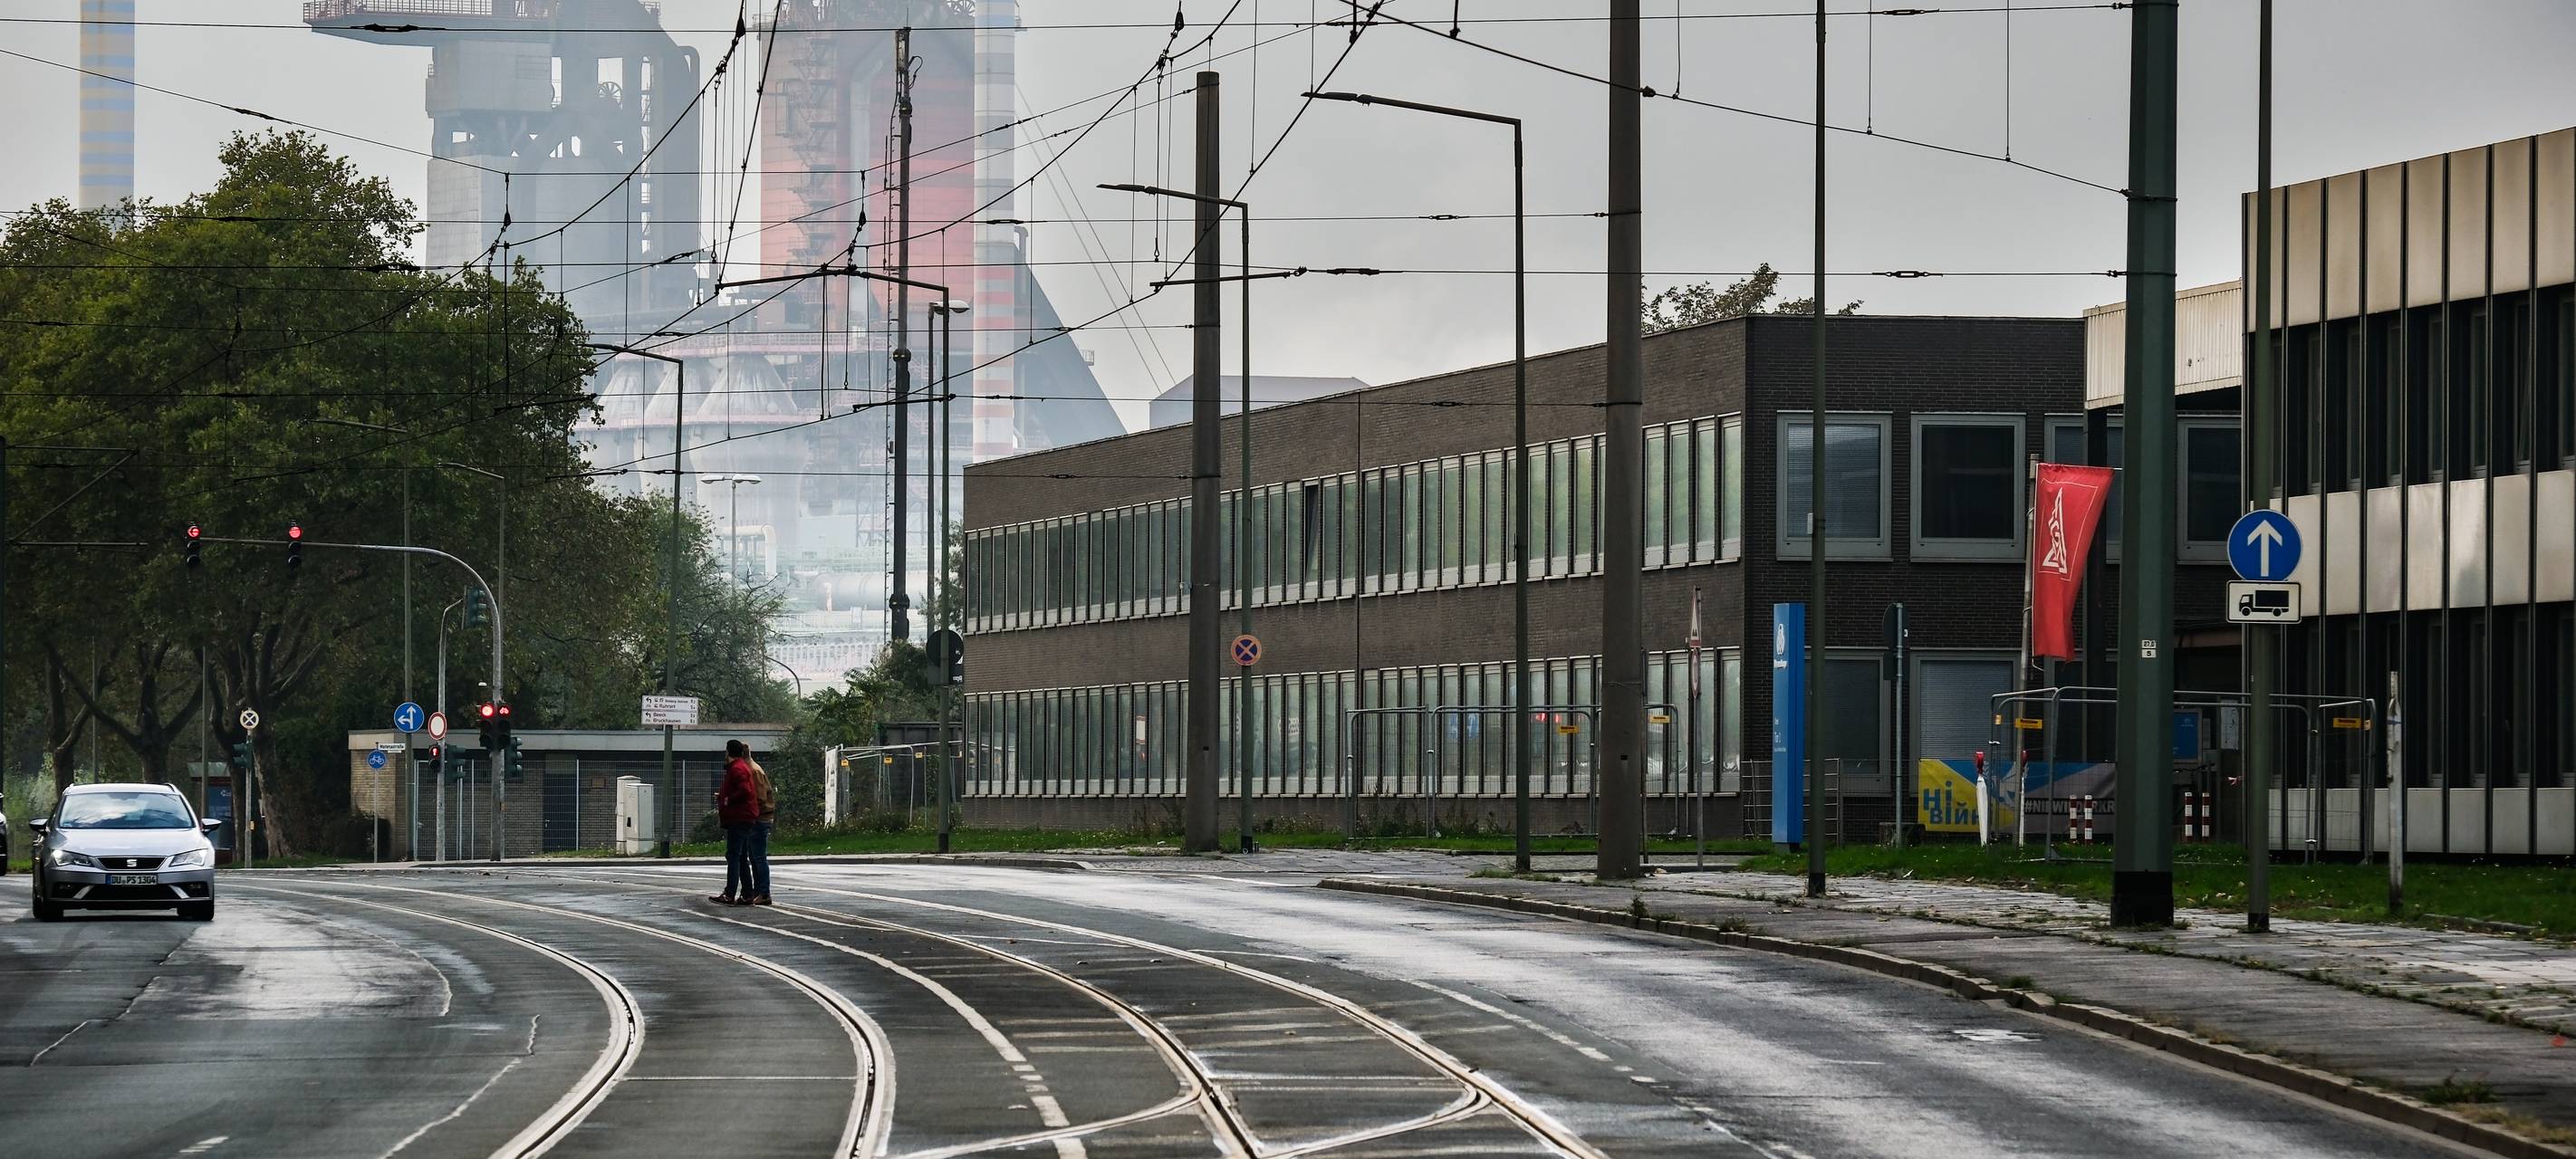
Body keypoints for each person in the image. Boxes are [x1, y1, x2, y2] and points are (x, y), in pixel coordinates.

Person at [711, 740, 761, 905]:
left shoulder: (737, 768)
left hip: (739, 818)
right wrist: (724, 797)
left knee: (733, 855)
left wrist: (727, 800)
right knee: (741, 857)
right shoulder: (740, 767)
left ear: (728, 752)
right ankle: (747, 894)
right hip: (744, 817)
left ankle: (729, 893)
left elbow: (744, 790)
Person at [745, 752, 776, 905]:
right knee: (755, 857)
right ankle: (758, 891)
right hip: (759, 818)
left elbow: (760, 797)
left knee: (759, 858)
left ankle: (764, 892)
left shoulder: (753, 771)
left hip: (759, 819)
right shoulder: (753, 769)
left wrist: (751, 813)